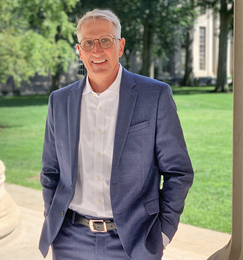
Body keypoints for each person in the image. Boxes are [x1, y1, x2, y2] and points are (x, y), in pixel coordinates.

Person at [39, 9, 194, 260]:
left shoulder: (154, 96)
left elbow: (178, 171)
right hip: (69, 240)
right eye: (88, 43)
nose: (96, 50)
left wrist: (162, 233)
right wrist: (51, 216)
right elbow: (50, 170)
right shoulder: (59, 101)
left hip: (133, 241)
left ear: (120, 46)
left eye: (105, 41)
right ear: (80, 50)